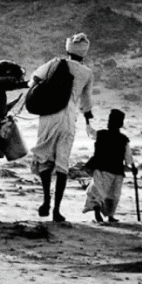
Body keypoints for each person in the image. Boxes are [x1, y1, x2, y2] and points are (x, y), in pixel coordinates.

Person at [29, 33, 94, 222]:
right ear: (84, 53)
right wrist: (89, 123)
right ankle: (57, 210)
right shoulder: (87, 73)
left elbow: (34, 80)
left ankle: (45, 200)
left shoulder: (54, 63)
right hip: (68, 121)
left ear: (67, 49)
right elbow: (87, 103)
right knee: (62, 164)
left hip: (48, 116)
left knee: (44, 159)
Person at [83, 109, 137, 223]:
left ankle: (97, 207)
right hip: (117, 171)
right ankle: (110, 216)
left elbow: (90, 132)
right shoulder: (123, 139)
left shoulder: (101, 134)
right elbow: (128, 156)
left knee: (97, 190)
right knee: (114, 195)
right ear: (121, 124)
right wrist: (132, 167)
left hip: (102, 168)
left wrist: (87, 120)